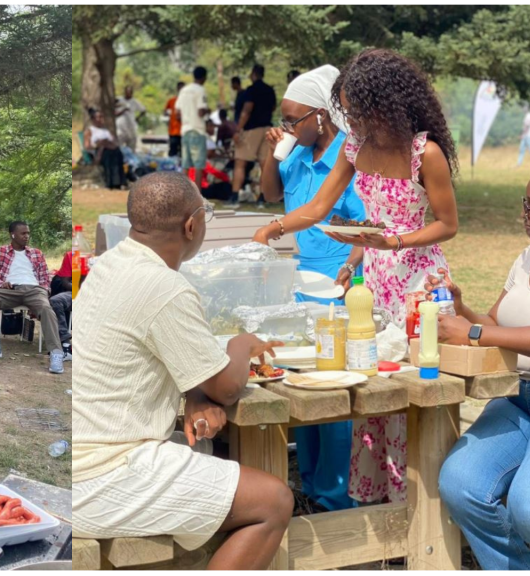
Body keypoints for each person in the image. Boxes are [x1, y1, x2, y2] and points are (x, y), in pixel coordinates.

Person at [254, 48, 459, 505]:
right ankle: (376, 501)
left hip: (418, 277)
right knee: (375, 383)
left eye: (357, 109)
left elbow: (448, 223)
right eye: (346, 109)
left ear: (385, 102)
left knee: (418, 385)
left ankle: (424, 498)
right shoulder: (354, 147)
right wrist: (275, 227)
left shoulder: (424, 152)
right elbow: (317, 207)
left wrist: (397, 242)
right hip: (376, 277)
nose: (350, 118)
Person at [71, 172, 293, 569]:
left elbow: (157, 352)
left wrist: (193, 393)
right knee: (273, 501)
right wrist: (242, 344)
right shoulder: (165, 287)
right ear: (192, 225)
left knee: (214, 452)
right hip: (105, 473)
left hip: (84, 454)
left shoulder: (106, 266)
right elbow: (226, 388)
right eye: (206, 213)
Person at [432, 161, 530, 570]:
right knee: (461, 484)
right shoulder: (529, 256)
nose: (524, 213)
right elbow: (497, 325)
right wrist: (461, 308)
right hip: (517, 396)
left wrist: (475, 334)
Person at [259, 65, 364, 512]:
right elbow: (267, 195)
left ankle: (333, 494)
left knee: (333, 388)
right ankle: (311, 482)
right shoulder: (298, 154)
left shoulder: (347, 157)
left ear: (321, 116)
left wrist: (352, 266)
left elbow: (365, 226)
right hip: (302, 280)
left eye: (293, 119)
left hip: (339, 280)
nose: (288, 127)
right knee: (302, 383)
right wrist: (274, 153)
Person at [0, 221, 65, 374]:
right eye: (23, 233)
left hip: (34, 290)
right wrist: (1, 283)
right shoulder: (0, 251)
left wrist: (43, 291)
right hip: (9, 290)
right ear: (13, 234)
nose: (27, 236)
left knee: (46, 309)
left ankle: (56, 352)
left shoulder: (37, 253)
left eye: (28, 233)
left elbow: (44, 277)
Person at [231, 65, 277, 205]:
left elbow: (247, 110)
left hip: (252, 129)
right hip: (267, 128)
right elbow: (274, 107)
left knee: (240, 163)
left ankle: (234, 197)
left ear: (254, 74)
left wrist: (238, 129)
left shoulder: (251, 90)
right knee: (264, 164)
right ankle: (262, 199)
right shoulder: (270, 90)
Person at [176, 66, 210, 192]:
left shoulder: (184, 90)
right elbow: (201, 112)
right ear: (204, 77)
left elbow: (177, 113)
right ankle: (197, 195)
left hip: (185, 130)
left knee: (185, 164)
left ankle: (183, 194)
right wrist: (208, 110)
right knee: (198, 165)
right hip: (197, 129)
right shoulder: (200, 90)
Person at [49, 251, 86, 361]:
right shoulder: (75, 256)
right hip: (77, 292)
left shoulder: (109, 256)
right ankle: (66, 346)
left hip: (103, 295)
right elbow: (65, 282)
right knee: (55, 301)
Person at [86, 109, 126, 190]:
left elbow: (115, 142)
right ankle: (110, 183)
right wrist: (98, 144)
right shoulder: (90, 131)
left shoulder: (106, 131)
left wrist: (108, 143)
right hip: (99, 153)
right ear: (93, 119)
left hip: (111, 149)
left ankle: (119, 182)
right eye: (98, 117)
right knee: (109, 155)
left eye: (102, 117)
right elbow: (87, 146)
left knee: (118, 153)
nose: (101, 119)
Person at [115, 85, 146, 152]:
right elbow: (115, 113)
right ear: (124, 92)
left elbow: (143, 110)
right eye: (127, 92)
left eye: (130, 92)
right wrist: (124, 110)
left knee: (131, 149)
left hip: (131, 128)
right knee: (119, 148)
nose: (128, 94)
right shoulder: (119, 100)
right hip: (120, 129)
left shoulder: (135, 102)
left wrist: (138, 118)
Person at [163, 82, 186, 158]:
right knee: (173, 151)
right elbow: (165, 111)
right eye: (180, 88)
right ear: (177, 89)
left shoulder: (187, 101)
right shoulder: (172, 100)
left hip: (184, 130)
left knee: (184, 152)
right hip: (173, 130)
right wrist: (169, 114)